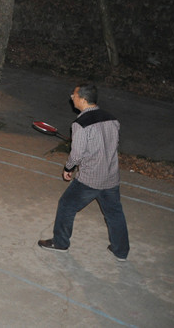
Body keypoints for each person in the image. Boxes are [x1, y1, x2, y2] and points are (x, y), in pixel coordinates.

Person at [38, 83, 130, 262]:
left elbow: (77, 154)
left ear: (83, 99)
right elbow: (112, 145)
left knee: (66, 205)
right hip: (111, 177)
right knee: (114, 213)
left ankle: (60, 243)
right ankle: (121, 251)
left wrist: (68, 168)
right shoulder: (112, 119)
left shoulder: (80, 124)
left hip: (90, 179)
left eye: (74, 95)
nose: (72, 97)